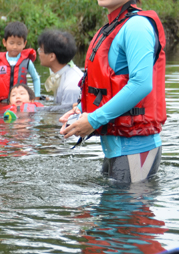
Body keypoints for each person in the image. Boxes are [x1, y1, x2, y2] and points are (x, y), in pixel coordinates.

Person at [60, 0, 166, 183]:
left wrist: (93, 120)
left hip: (136, 148)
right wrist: (82, 109)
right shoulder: (113, 26)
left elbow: (141, 84)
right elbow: (107, 86)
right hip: (117, 148)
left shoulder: (137, 26)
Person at [0, 21, 40, 104]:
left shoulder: (27, 62)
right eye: (11, 43)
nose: (15, 47)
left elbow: (35, 78)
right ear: (4, 42)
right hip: (1, 102)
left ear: (24, 44)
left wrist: (37, 96)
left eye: (19, 44)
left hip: (20, 103)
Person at [37, 29, 83, 106]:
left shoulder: (71, 86)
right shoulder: (60, 72)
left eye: (41, 50)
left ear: (52, 57)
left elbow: (68, 114)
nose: (38, 53)